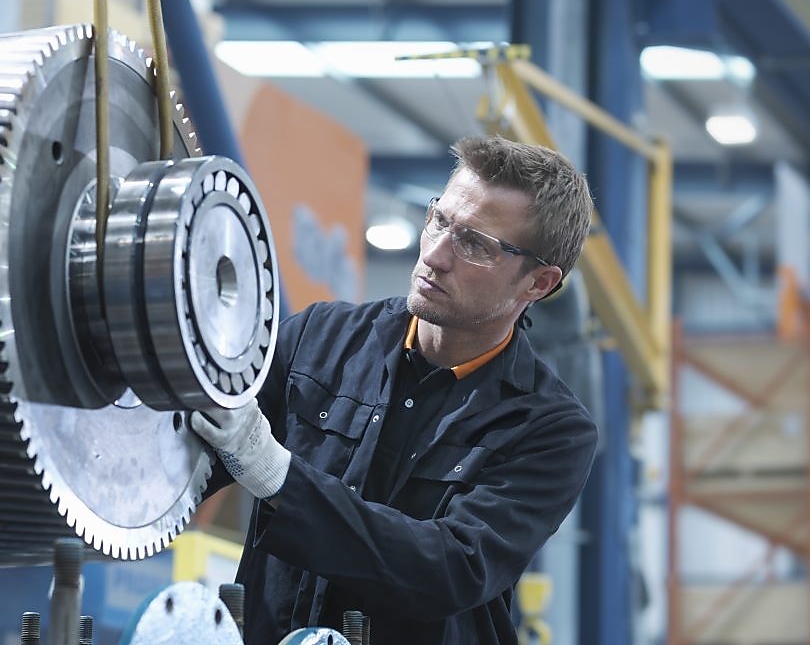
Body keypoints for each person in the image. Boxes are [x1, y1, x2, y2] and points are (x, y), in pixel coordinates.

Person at [190, 135, 599, 644]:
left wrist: (279, 477)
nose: (435, 253)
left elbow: (450, 569)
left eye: (474, 244)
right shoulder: (318, 339)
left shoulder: (549, 429)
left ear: (538, 284)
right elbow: (187, 464)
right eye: (440, 220)